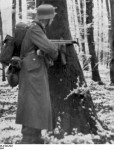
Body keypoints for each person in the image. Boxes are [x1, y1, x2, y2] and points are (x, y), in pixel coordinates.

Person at [16, 4, 60, 144]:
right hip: (32, 70)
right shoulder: (35, 28)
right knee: (33, 102)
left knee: (35, 102)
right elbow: (49, 48)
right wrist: (55, 50)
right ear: (47, 18)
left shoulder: (35, 28)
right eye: (51, 17)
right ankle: (29, 138)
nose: (52, 20)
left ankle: (34, 135)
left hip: (32, 68)